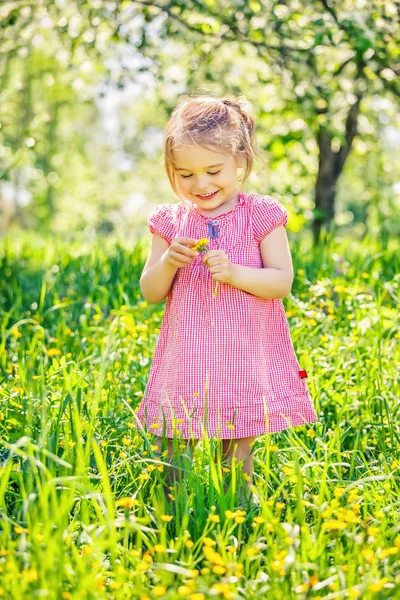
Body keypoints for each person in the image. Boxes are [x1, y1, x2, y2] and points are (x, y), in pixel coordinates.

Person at [135, 94, 318, 507]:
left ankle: (238, 514)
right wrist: (167, 262)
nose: (200, 185)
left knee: (235, 455)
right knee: (174, 448)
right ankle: (174, 512)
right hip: (187, 358)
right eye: (185, 174)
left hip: (241, 357)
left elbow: (281, 281)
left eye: (213, 171)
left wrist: (236, 273)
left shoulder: (261, 215)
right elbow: (150, 292)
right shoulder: (171, 222)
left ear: (240, 160)